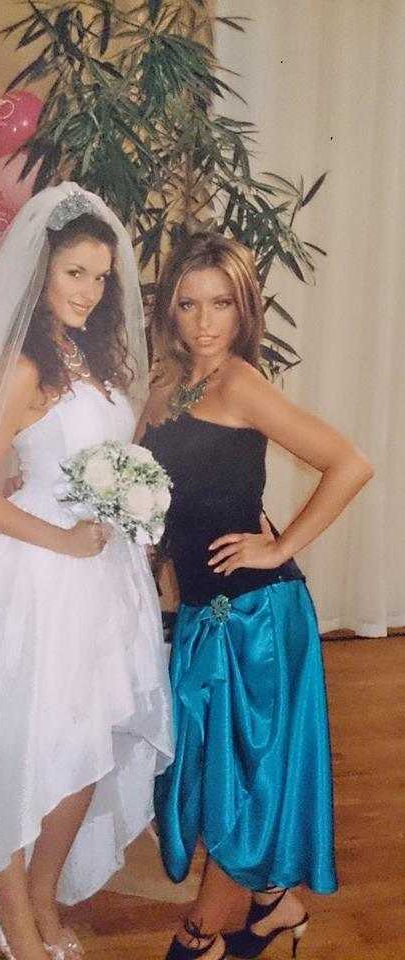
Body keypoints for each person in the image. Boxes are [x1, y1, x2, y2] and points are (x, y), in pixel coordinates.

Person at [0, 183, 173, 960]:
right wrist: (63, 539)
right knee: (25, 748)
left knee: (85, 750)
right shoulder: (25, 368)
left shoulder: (98, 362)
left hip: (101, 578)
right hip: (35, 575)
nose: (88, 290)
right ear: (41, 274)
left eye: (100, 276)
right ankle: (13, 913)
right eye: (73, 273)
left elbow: (98, 454)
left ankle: (42, 895)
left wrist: (128, 507)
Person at [138, 231, 374, 960]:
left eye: (221, 304)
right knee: (222, 777)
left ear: (244, 310)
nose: (205, 322)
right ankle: (274, 905)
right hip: (204, 618)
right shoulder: (166, 385)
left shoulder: (240, 383)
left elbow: (349, 463)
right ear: (169, 311)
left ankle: (201, 936)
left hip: (256, 620)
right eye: (188, 304)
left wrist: (278, 544)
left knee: (241, 789)